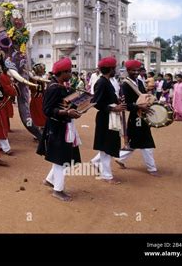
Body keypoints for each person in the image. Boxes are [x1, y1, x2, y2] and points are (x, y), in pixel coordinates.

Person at [37, 57, 83, 201]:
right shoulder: (54, 88)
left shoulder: (61, 86)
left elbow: (64, 104)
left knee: (62, 156)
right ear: (62, 72)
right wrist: (66, 113)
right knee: (60, 159)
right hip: (57, 128)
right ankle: (58, 190)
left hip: (64, 126)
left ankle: (50, 180)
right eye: (69, 72)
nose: (71, 74)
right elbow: (47, 110)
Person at [115, 60, 160, 176]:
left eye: (137, 70)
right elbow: (127, 105)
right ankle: (152, 168)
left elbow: (144, 97)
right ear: (128, 71)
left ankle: (120, 158)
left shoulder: (139, 82)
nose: (135, 72)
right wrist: (139, 107)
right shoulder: (125, 85)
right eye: (133, 70)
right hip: (137, 117)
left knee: (136, 141)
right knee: (146, 142)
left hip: (142, 115)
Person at [90, 57, 126, 184]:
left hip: (111, 117)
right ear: (110, 69)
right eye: (114, 68)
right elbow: (95, 103)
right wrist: (113, 108)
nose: (115, 70)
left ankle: (97, 164)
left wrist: (117, 103)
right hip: (105, 118)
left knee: (109, 145)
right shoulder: (101, 83)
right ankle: (107, 175)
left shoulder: (108, 81)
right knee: (106, 147)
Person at [0, 65, 17, 155]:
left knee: (1, 126)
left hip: (1, 107)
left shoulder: (1, 84)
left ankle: (2, 147)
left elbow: (10, 92)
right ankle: (5, 148)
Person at [29, 63, 47, 128]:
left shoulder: (41, 78)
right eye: (43, 69)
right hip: (36, 97)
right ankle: (38, 127)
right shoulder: (33, 78)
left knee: (41, 112)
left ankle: (42, 126)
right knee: (36, 113)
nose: (44, 71)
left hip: (41, 97)